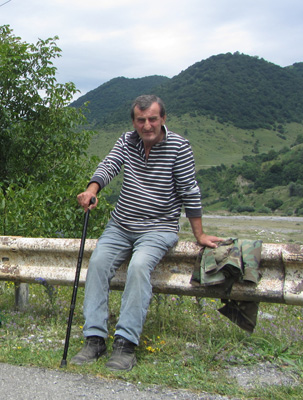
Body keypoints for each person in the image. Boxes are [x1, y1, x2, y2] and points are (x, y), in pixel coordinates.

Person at [71, 95, 222, 371]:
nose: (147, 125)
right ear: (134, 122)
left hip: (159, 227)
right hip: (121, 225)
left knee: (139, 267)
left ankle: (125, 344)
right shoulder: (127, 141)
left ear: (163, 118)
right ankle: (94, 339)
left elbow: (190, 191)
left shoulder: (179, 147)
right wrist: (92, 190)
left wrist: (199, 235)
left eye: (153, 119)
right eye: (141, 120)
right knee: (97, 263)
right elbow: (109, 166)